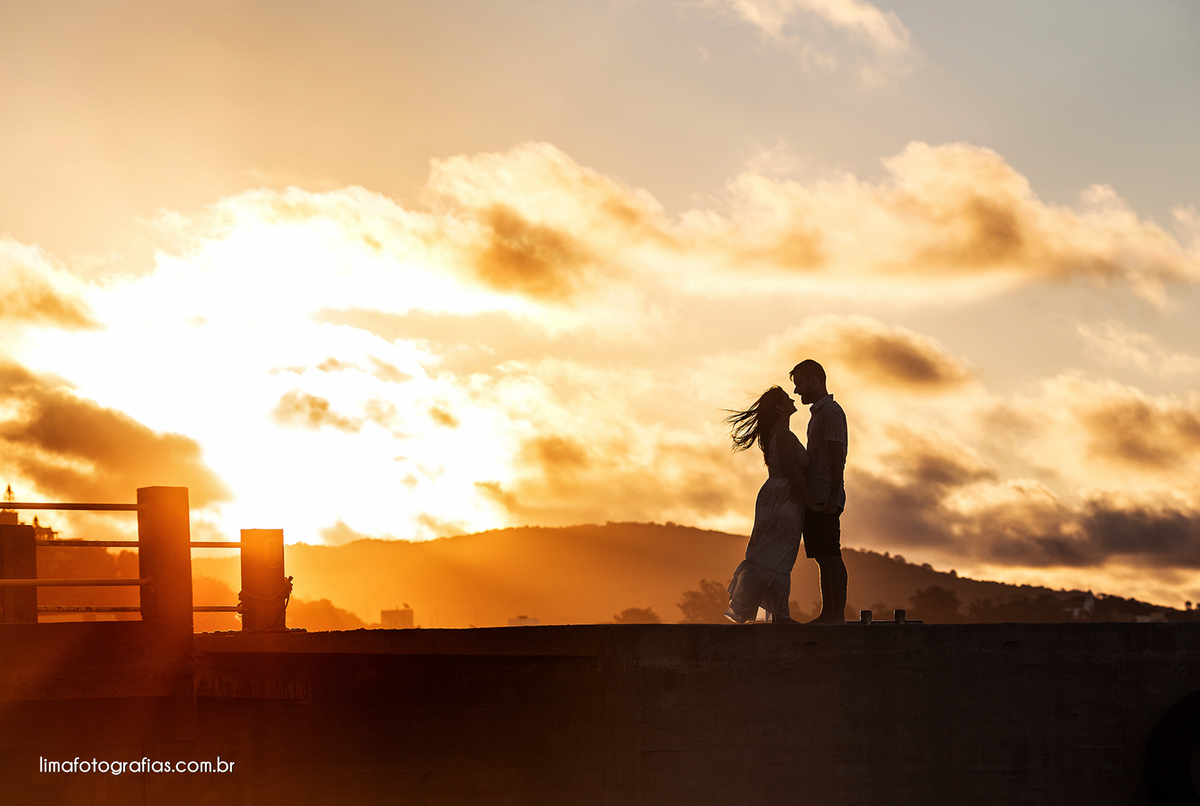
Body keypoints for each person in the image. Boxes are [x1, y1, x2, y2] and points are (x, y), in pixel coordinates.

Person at [722, 386, 814, 624]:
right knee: (778, 555)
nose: (793, 399)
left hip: (775, 495)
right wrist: (810, 500)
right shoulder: (783, 435)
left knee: (773, 554)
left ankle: (780, 614)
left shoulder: (777, 433)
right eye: (787, 398)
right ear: (780, 407)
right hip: (784, 497)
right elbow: (794, 472)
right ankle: (781, 615)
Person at [791, 359, 848, 624]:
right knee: (822, 557)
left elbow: (838, 456)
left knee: (830, 554)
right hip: (816, 496)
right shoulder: (818, 415)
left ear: (814, 381)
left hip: (826, 495)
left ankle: (836, 614)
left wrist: (834, 494)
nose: (797, 391)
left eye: (800, 384)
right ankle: (830, 612)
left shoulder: (831, 413)